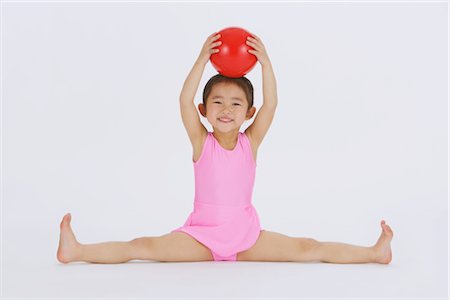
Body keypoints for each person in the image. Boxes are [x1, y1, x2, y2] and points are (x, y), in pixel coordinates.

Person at [57, 32, 393, 264]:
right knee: (142, 247)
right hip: (200, 238)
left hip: (246, 238)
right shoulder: (201, 141)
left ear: (249, 113)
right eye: (217, 102)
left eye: (236, 104)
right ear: (205, 111)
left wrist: (266, 65)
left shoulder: (251, 141)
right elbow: (183, 100)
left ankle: (374, 253)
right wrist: (203, 58)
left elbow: (272, 104)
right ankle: (77, 251)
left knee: (309, 248)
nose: (226, 110)